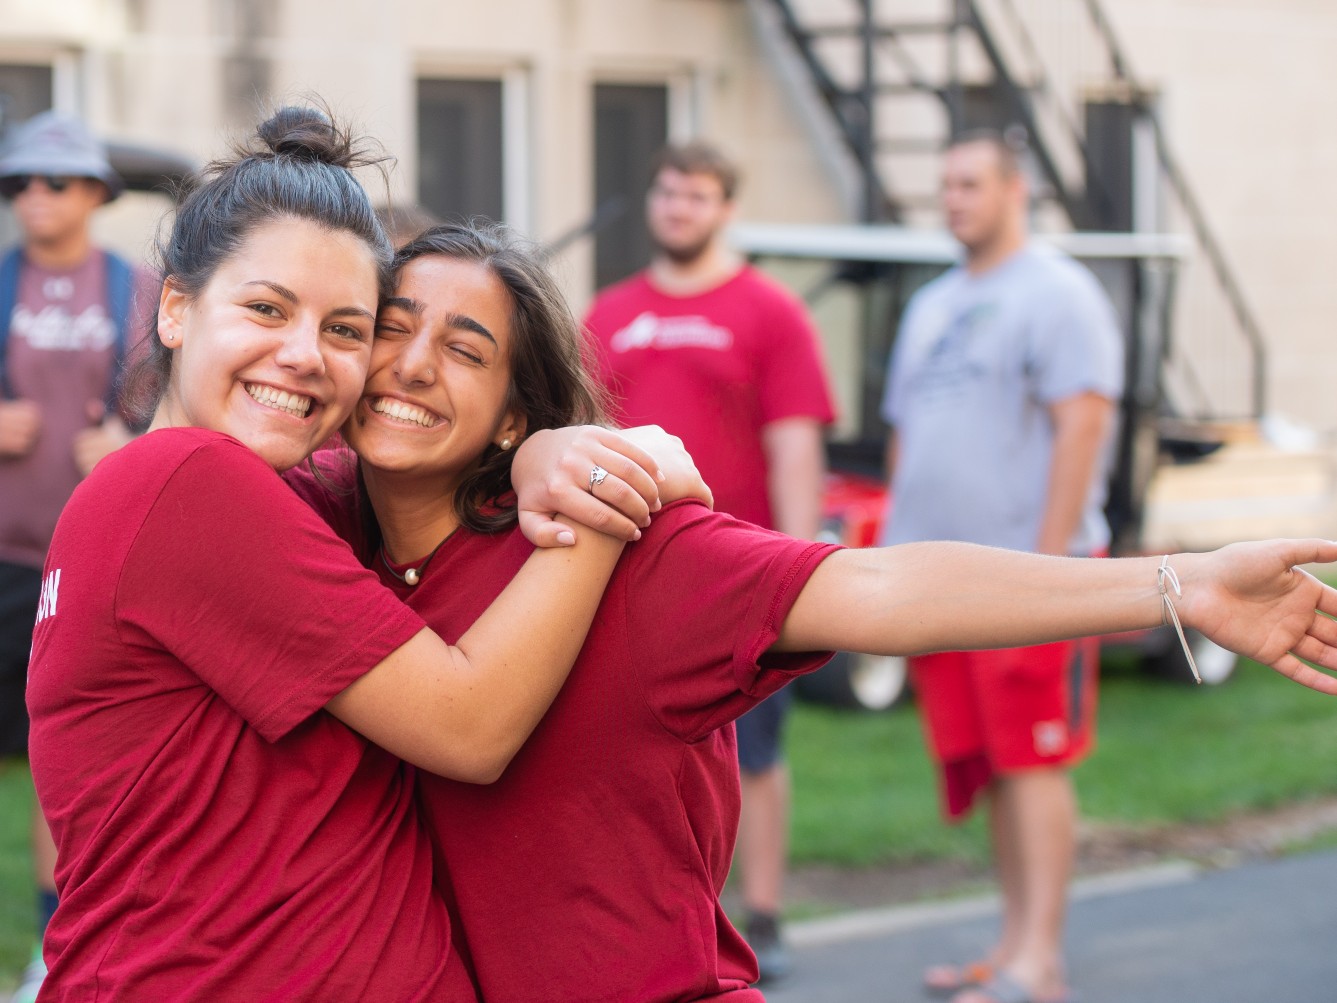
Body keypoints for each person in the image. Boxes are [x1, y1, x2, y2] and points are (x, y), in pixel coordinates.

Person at [292, 219, 1337, 1003]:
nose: (413, 364)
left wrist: (1178, 583)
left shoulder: (613, 549)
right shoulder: (320, 552)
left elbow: (880, 588)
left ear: (512, 413)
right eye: (392, 328)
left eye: (466, 348)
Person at [25, 107, 703, 1001]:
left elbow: (412, 476)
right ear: (177, 308)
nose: (303, 354)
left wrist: (542, 449)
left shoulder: (241, 494)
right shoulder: (187, 482)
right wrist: (605, 497)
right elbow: (466, 725)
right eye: (266, 308)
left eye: (346, 329)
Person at [880, 129, 1124, 1003]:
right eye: (944, 184)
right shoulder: (932, 302)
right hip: (945, 582)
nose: (952, 199)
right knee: (989, 763)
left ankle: (1039, 962)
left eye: (969, 184)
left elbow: (1082, 423)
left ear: (1014, 190)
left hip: (1029, 576)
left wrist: (1048, 568)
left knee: (1031, 760)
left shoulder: (1056, 292)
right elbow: (907, 434)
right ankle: (1011, 944)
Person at [583, 140, 836, 980]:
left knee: (751, 754)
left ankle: (761, 915)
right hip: (616, 579)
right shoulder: (609, 313)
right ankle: (668, 925)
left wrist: (802, 567)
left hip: (737, 577)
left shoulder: (770, 312)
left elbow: (794, 447)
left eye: (696, 196)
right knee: (631, 767)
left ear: (726, 209)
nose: (678, 207)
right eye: (667, 192)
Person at [0, 110, 158, 1003]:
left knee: (67, 760)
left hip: (101, 559)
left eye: (54, 181)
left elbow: (188, 403)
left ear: (96, 193)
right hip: (6, 556)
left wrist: (131, 443)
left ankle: (57, 945)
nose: (34, 196)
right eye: (18, 182)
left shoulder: (139, 291)